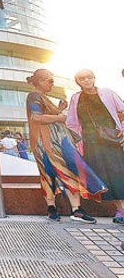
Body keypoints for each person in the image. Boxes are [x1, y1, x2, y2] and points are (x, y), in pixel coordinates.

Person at [25, 69, 105, 224]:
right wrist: (60, 116)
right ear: (40, 81)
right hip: (47, 143)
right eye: (50, 81)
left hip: (49, 141)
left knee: (49, 173)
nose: (52, 84)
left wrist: (59, 109)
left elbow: (44, 116)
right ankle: (73, 210)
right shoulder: (34, 96)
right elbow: (37, 117)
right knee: (61, 171)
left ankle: (54, 209)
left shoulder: (41, 97)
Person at [66, 69, 124, 224]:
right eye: (82, 78)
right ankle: (119, 210)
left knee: (117, 173)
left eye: (89, 77)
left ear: (94, 78)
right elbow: (71, 122)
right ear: (77, 81)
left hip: (111, 140)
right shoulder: (76, 98)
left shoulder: (107, 93)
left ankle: (122, 210)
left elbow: (122, 110)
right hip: (90, 142)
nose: (86, 80)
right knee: (102, 176)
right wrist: (76, 142)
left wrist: (122, 131)